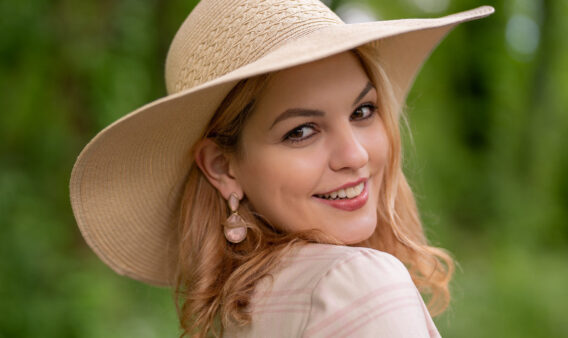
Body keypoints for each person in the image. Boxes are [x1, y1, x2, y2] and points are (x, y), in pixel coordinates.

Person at [69, 0, 494, 336]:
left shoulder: (243, 311)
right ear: (223, 167)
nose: (355, 155)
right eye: (302, 131)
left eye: (363, 110)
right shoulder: (356, 286)